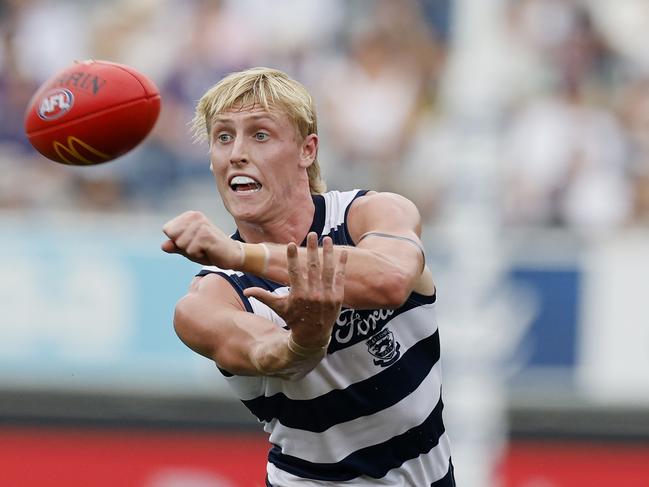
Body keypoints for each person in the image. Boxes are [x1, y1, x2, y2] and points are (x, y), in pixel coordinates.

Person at [161, 67, 455, 486]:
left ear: (307, 150)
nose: (237, 154)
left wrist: (242, 254)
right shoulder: (209, 299)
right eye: (223, 137)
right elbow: (273, 356)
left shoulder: (369, 214)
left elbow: (389, 280)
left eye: (260, 135)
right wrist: (307, 337)